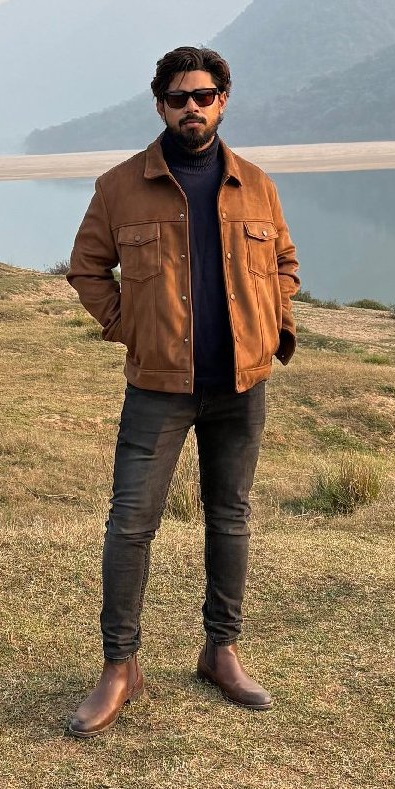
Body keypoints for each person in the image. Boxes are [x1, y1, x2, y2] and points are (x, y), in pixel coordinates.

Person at [64, 45, 300, 738]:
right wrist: (130, 328)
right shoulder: (119, 187)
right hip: (158, 387)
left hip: (240, 384)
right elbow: (86, 269)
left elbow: (285, 263)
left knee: (230, 517)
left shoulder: (256, 184)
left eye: (202, 95)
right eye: (177, 97)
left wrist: (272, 323)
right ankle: (120, 666)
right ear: (160, 105)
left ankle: (220, 651)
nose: (190, 107)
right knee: (130, 523)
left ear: (223, 100)